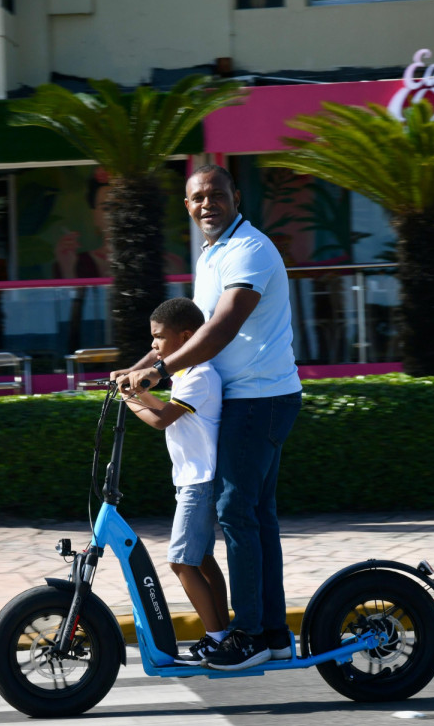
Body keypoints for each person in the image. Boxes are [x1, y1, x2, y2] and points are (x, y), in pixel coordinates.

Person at [117, 163, 302, 671]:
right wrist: (136, 368)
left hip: (259, 399)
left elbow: (220, 329)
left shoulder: (251, 250)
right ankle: (274, 633)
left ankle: (248, 636)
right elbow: (188, 335)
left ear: (235, 197)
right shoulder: (212, 254)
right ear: (187, 205)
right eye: (198, 197)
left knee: (237, 512)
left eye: (216, 195)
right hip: (246, 398)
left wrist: (158, 373)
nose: (207, 204)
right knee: (257, 518)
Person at [121, 296, 230, 663]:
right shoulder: (186, 374)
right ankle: (223, 633)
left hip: (200, 481)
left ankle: (217, 637)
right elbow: (164, 409)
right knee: (201, 561)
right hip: (191, 478)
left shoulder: (201, 376)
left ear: (186, 336)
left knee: (181, 561)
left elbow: (160, 419)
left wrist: (129, 398)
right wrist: (136, 389)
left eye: (158, 338)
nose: (153, 346)